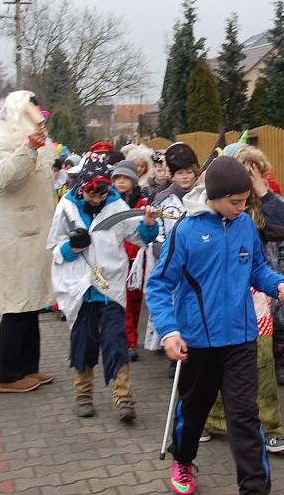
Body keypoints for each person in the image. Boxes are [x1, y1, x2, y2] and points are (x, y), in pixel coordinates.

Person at [146, 155, 284, 495]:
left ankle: (254, 488)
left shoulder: (244, 225)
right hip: (198, 343)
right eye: (235, 202)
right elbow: (159, 284)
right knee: (194, 413)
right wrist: (169, 330)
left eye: (245, 201)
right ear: (213, 196)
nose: (242, 208)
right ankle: (183, 460)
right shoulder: (186, 230)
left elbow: (257, 268)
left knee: (244, 417)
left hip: (241, 339)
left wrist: (278, 284)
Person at [47, 154, 158, 422]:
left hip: (110, 287)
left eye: (101, 192)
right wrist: (72, 246)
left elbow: (140, 236)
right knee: (83, 343)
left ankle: (124, 398)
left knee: (115, 341)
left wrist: (149, 224)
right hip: (80, 288)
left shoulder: (116, 206)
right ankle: (83, 394)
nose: (96, 198)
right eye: (90, 192)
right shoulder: (67, 207)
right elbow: (54, 248)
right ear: (81, 186)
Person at [206, 145, 284, 453]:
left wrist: (263, 191)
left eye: (254, 174)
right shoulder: (209, 210)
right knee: (217, 363)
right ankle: (213, 419)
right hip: (219, 300)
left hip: (257, 298)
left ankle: (271, 427)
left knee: (262, 363)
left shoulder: (258, 208)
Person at [0, 90, 57, 393]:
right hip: (13, 235)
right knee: (16, 303)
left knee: (30, 301)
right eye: (30, 113)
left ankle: (27, 367)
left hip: (31, 233)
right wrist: (28, 149)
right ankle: (5, 373)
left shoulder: (28, 138)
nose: (37, 119)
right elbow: (3, 176)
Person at [145, 142, 200, 359]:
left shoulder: (204, 197)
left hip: (199, 263)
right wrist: (169, 254)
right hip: (172, 264)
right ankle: (174, 349)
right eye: (179, 172)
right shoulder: (162, 199)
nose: (185, 177)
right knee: (175, 306)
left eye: (188, 172)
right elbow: (157, 236)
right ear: (171, 173)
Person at [112, 159, 150, 361]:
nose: (120, 182)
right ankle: (120, 341)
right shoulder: (109, 203)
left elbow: (145, 232)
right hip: (116, 260)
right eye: (117, 178)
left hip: (136, 260)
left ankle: (131, 341)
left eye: (125, 178)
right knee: (118, 304)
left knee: (133, 304)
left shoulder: (143, 204)